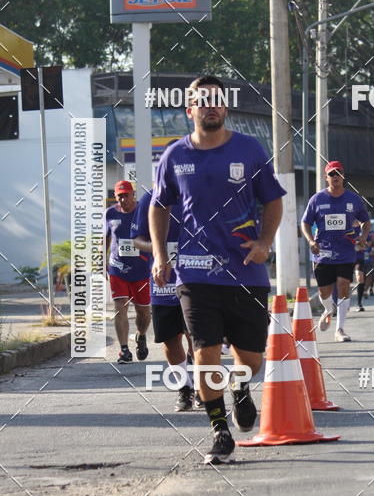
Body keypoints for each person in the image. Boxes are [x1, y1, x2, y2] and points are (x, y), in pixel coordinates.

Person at [150, 75, 285, 466]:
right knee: (204, 351)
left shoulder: (249, 150)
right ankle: (219, 431)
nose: (210, 106)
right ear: (189, 109)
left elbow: (272, 200)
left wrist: (264, 243)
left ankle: (241, 388)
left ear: (225, 108)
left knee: (252, 359)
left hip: (245, 272)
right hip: (195, 274)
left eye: (216, 100)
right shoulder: (174, 156)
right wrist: (161, 256)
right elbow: (160, 207)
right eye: (201, 101)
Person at [131, 189, 195, 412]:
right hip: (163, 281)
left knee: (197, 336)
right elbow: (138, 240)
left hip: (196, 275)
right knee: (170, 339)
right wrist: (159, 251)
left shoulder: (198, 190)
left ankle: (205, 388)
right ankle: (184, 388)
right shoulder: (151, 198)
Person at [301, 160, 370, 342]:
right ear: (326, 177)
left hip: (346, 252)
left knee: (343, 286)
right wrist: (310, 240)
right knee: (324, 292)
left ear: (343, 176)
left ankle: (339, 329)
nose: (335, 177)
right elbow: (305, 222)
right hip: (322, 252)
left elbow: (366, 221)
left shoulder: (353, 199)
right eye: (332, 174)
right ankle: (328, 309)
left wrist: (363, 236)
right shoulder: (317, 199)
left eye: (338, 173)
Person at [105, 180, 151, 364]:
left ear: (133, 194)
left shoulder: (144, 211)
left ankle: (140, 335)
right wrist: (101, 260)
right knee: (120, 308)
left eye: (126, 195)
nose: (123, 199)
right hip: (117, 268)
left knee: (143, 312)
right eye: (120, 196)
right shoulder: (110, 213)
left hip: (141, 269)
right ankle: (124, 350)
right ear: (116, 197)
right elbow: (106, 238)